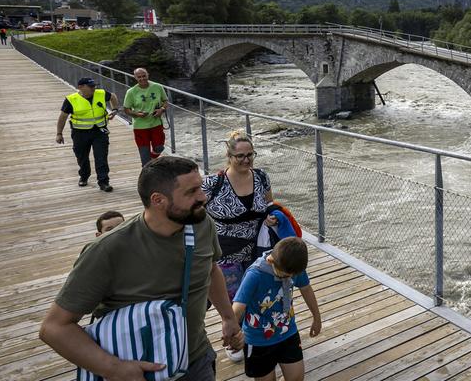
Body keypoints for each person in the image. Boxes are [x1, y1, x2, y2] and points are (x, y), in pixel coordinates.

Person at [40, 156, 243, 381]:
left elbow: (210, 268)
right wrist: (114, 368)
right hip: (138, 370)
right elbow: (54, 328)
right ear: (158, 200)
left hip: (196, 359)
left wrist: (227, 317)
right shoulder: (108, 250)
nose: (203, 198)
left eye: (201, 188)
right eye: (191, 192)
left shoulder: (202, 225)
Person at [203, 130, 274, 361]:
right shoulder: (213, 183)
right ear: (229, 155)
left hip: (256, 250)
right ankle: (233, 339)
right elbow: (191, 210)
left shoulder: (261, 177)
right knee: (234, 301)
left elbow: (269, 204)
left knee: (255, 295)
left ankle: (252, 336)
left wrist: (270, 217)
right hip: (224, 253)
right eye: (239, 156)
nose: (245, 160)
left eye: (250, 155)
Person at [233, 237, 321, 381]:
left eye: (293, 276)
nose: (290, 278)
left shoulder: (292, 267)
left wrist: (317, 318)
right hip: (258, 339)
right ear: (270, 261)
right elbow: (237, 307)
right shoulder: (255, 275)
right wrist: (233, 333)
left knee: (296, 377)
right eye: (286, 275)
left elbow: (306, 289)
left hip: (287, 331)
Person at [56, 77, 120, 192]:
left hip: (100, 131)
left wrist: (115, 110)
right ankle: (84, 176)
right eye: (90, 86)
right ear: (80, 87)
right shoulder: (71, 99)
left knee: (101, 157)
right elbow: (63, 117)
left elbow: (113, 96)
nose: (94, 88)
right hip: (80, 134)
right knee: (82, 157)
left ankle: (104, 182)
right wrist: (59, 133)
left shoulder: (101, 93)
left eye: (94, 86)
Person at [123, 68, 169, 166]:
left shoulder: (158, 87)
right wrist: (136, 114)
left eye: (144, 76)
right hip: (140, 127)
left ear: (148, 75)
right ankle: (147, 171)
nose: (142, 78)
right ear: (135, 78)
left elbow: (165, 101)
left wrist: (162, 109)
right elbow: (126, 109)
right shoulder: (131, 92)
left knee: (159, 148)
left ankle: (151, 161)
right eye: (139, 77)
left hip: (156, 123)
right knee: (144, 156)